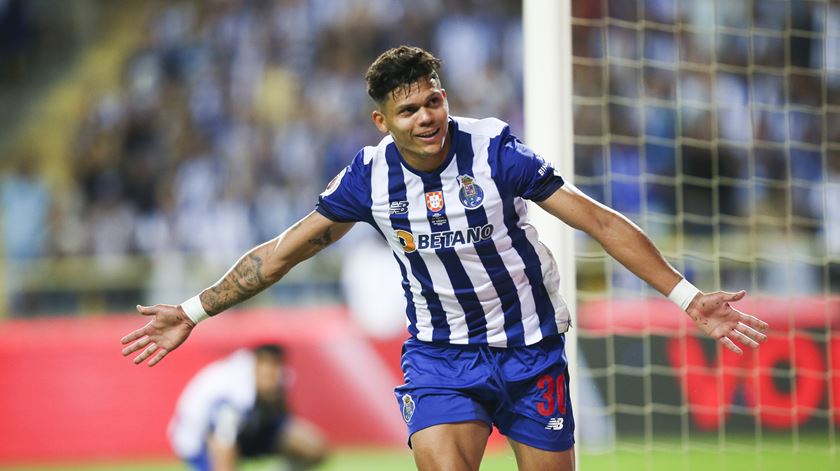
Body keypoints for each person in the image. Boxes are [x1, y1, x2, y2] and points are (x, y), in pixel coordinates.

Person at [121, 46, 769, 471]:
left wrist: (687, 296)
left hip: (531, 348)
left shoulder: (496, 153)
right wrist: (192, 309)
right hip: (440, 356)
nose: (428, 116)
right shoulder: (367, 180)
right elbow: (283, 253)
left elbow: (597, 219)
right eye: (409, 109)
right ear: (383, 121)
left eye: (434, 99)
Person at [168, 343, 328, 471]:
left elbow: (284, 418)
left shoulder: (281, 379)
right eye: (268, 374)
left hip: (245, 430)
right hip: (199, 441)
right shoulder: (234, 392)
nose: (273, 380)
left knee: (313, 448)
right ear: (255, 367)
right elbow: (222, 443)